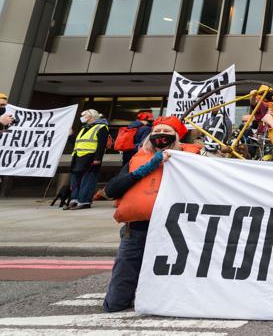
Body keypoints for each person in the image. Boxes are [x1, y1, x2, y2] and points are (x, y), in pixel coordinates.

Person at [102, 116, 199, 312]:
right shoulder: (136, 160)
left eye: (167, 133)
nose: (161, 136)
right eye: (158, 132)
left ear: (177, 137)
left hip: (176, 230)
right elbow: (111, 190)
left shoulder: (192, 160)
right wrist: (145, 169)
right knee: (118, 295)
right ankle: (123, 300)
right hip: (138, 228)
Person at [66, 109, 110, 210]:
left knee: (88, 180)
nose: (82, 116)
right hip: (78, 157)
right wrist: (71, 135)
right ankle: (74, 200)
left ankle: (84, 201)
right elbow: (78, 143)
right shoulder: (84, 128)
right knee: (75, 180)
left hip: (90, 158)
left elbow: (101, 145)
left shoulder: (102, 127)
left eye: (84, 115)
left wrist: (97, 159)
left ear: (91, 116)